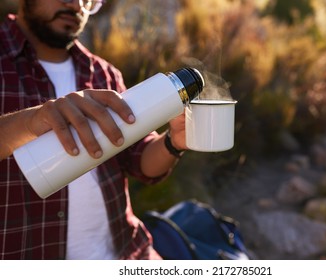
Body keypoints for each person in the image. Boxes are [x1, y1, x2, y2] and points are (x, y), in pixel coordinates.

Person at [0, 0, 187, 259]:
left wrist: (173, 142)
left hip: (126, 252)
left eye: (87, 0)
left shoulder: (104, 73)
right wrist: (30, 122)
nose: (76, 5)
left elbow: (139, 160)